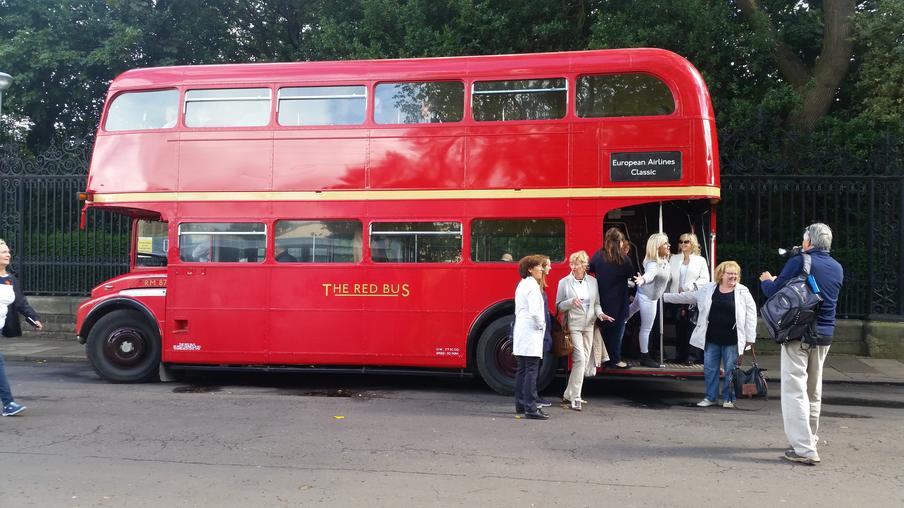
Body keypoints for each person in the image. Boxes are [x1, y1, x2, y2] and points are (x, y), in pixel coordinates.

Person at [760, 223, 843, 466]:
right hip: (825, 334)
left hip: (799, 332)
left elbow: (775, 291)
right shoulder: (837, 267)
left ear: (809, 242)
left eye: (804, 239)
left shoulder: (801, 261)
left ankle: (804, 449)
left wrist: (767, 280)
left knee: (794, 390)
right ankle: (810, 439)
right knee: (813, 390)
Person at [663, 261, 757, 408]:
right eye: (730, 273)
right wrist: (663, 297)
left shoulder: (743, 291)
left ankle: (729, 399)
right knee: (710, 370)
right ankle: (710, 397)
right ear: (721, 274)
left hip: (732, 339)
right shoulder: (708, 289)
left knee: (731, 371)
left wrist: (750, 339)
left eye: (735, 273)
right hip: (711, 338)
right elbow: (688, 297)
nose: (733, 276)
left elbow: (751, 315)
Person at [556, 250, 613, 411]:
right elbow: (558, 306)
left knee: (582, 361)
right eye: (571, 264)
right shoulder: (564, 282)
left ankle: (568, 393)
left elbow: (596, 304)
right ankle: (576, 397)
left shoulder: (593, 282)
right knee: (580, 359)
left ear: (584, 265)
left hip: (589, 325)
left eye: (576, 264)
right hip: (573, 325)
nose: (573, 267)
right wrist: (569, 302)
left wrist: (601, 315)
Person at [0, 240, 44, 417]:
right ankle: (8, 403)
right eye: (3, 251)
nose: (7, 254)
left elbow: (20, 302)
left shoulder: (10, 279)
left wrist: (33, 318)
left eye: (8, 251)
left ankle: (8, 403)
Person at [588, 228, 634, 368]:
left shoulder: (598, 255)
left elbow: (590, 268)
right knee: (617, 331)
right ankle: (615, 360)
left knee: (605, 330)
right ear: (619, 242)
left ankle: (605, 359)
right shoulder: (623, 258)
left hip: (601, 298)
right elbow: (631, 273)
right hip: (618, 300)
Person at [626, 233, 671, 368]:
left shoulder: (664, 261)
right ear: (657, 247)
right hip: (648, 297)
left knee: (629, 313)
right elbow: (650, 274)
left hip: (646, 294)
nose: (668, 245)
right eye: (665, 243)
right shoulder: (653, 263)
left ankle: (617, 323)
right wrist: (643, 279)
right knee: (646, 328)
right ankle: (644, 356)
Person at [513, 255, 549, 420]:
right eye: (539, 267)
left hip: (522, 331)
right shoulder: (533, 287)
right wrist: (541, 325)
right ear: (530, 269)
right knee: (531, 371)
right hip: (531, 332)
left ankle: (520, 405)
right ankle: (531, 408)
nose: (542, 269)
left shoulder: (522, 284)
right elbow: (535, 312)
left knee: (522, 370)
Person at [667, 233, 710, 364]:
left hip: (692, 297)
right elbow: (668, 276)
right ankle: (680, 355)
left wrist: (687, 287)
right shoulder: (674, 258)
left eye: (686, 242)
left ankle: (692, 356)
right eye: (681, 242)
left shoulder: (700, 260)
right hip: (676, 297)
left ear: (692, 244)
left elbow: (705, 279)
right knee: (679, 327)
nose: (683, 244)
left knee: (692, 327)